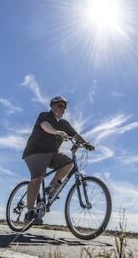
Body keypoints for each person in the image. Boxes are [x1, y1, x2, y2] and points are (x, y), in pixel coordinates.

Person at [22, 96, 94, 225]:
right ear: (52, 106)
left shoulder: (64, 124)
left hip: (51, 155)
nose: (63, 109)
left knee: (68, 163)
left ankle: (51, 187)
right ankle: (29, 213)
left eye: (64, 107)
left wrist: (85, 143)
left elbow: (75, 135)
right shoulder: (44, 116)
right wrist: (56, 132)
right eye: (60, 106)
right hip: (34, 152)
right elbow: (45, 126)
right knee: (38, 178)